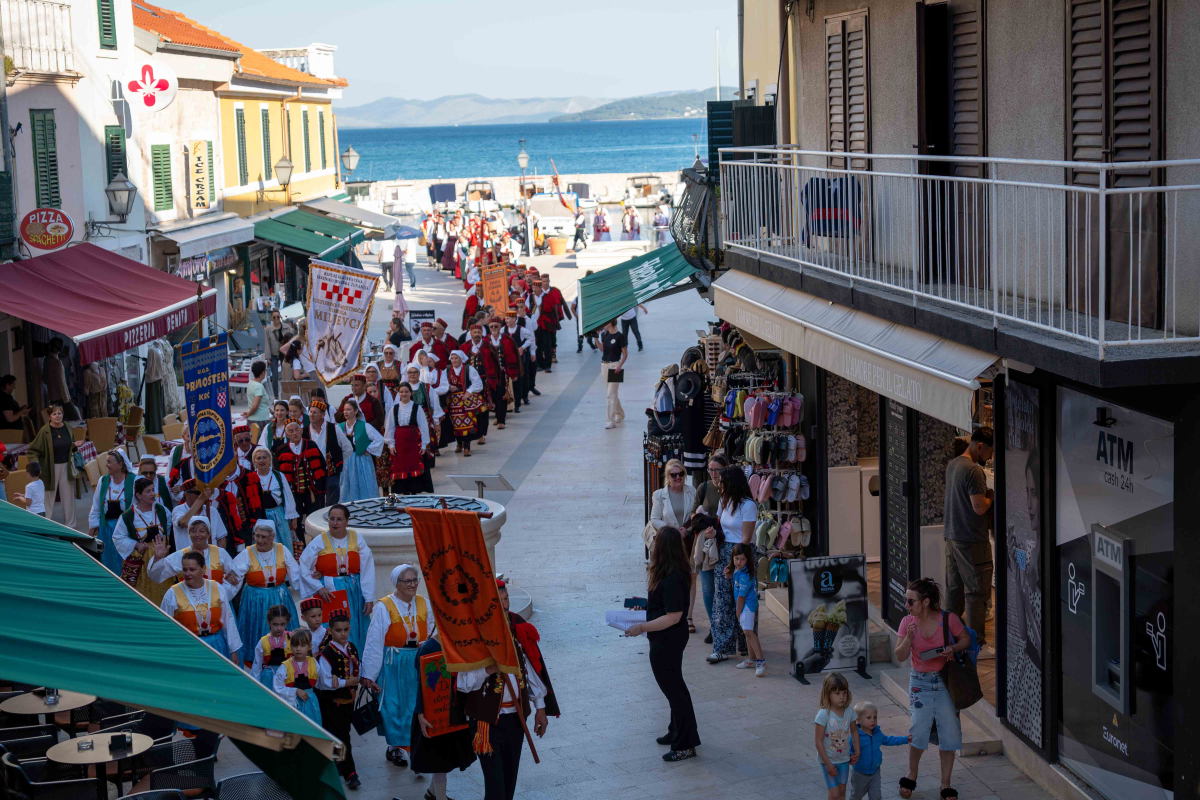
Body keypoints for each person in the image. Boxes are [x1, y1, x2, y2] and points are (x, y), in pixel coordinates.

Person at [457, 580, 556, 799]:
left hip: (515, 720)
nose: (504, 606)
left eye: (506, 599)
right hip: (487, 723)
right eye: (498, 601)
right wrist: (490, 669)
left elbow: (529, 669)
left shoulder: (515, 627)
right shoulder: (473, 637)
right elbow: (463, 684)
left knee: (509, 785)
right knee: (495, 789)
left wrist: (540, 708)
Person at [625, 526, 699, 762]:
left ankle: (686, 744)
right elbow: (664, 606)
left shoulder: (673, 576)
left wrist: (641, 628)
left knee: (674, 691)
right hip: (665, 638)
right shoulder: (669, 572)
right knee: (675, 688)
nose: (652, 545)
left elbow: (674, 616)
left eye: (656, 541)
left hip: (668, 640)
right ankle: (675, 730)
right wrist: (646, 605)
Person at [893, 578, 971, 800]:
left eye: (910, 601)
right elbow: (899, 656)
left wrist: (952, 648)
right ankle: (912, 773)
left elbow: (965, 639)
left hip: (946, 680)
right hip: (920, 681)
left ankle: (945, 785)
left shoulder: (948, 620)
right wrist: (908, 637)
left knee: (949, 731)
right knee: (918, 728)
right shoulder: (907, 622)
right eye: (906, 600)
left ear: (925, 602)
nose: (906, 605)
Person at [361, 564, 432, 767]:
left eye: (415, 580)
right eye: (407, 581)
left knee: (414, 706)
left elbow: (434, 630)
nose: (412, 584)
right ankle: (397, 749)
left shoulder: (424, 604)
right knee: (393, 707)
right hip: (393, 663)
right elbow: (374, 641)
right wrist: (369, 675)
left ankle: (413, 747)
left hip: (417, 662)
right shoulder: (384, 606)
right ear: (397, 584)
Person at [942, 427, 995, 659]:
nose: (990, 458)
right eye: (989, 453)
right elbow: (979, 507)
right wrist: (991, 496)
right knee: (976, 592)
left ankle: (950, 637)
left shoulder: (953, 464)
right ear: (979, 446)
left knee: (954, 591)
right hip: (972, 540)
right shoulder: (974, 470)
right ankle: (977, 645)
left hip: (952, 536)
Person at [299, 503, 375, 654]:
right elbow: (303, 564)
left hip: (353, 591)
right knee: (333, 627)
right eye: (332, 519)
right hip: (330, 592)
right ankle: (332, 660)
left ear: (347, 521)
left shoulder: (356, 538)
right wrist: (319, 587)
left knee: (353, 626)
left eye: (339, 519)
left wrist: (369, 597)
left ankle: (355, 660)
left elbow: (367, 569)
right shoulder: (320, 540)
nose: (335, 523)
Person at [411, 631, 477, 800]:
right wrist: (420, 713)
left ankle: (433, 793)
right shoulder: (428, 648)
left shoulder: (458, 643)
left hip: (453, 711)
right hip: (432, 714)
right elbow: (421, 685)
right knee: (439, 761)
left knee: (445, 759)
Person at [231, 519, 302, 660]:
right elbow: (234, 573)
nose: (259, 540)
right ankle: (258, 660)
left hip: (279, 597)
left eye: (263, 536)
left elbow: (296, 576)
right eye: (256, 536)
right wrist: (230, 579)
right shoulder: (248, 553)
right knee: (259, 630)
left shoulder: (282, 550)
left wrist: (311, 589)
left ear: (272, 536)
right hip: (255, 600)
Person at [160, 550, 242, 661]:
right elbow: (165, 628)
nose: (188, 573)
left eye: (192, 569)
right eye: (185, 570)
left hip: (216, 647)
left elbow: (228, 621)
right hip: (188, 649)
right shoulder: (172, 594)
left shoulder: (217, 588)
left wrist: (233, 651)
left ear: (204, 569)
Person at [316, 609, 362, 790]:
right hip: (331, 702)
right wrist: (346, 682)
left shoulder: (352, 647)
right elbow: (325, 682)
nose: (342, 634)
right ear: (330, 631)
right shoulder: (326, 653)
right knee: (343, 736)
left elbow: (359, 667)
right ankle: (350, 772)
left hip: (348, 701)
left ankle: (335, 764)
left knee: (339, 734)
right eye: (338, 630)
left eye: (345, 630)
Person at [110, 477, 172, 604]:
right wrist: (135, 544)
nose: (152, 494)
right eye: (148, 491)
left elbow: (169, 527)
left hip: (161, 559)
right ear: (138, 495)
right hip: (142, 562)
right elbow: (118, 537)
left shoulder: (162, 510)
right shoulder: (128, 516)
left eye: (153, 490)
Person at [650, 459, 695, 627]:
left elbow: (695, 516)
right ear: (667, 477)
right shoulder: (659, 495)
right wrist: (673, 530)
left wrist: (686, 530)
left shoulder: (692, 491)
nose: (677, 477)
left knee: (690, 577)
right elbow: (654, 519)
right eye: (673, 474)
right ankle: (668, 611)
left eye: (680, 473)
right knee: (668, 575)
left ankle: (688, 617)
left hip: (688, 540)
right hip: (669, 542)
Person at [273, 421, 328, 545]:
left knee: (316, 520)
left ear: (301, 430)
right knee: (295, 523)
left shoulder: (312, 445)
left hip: (312, 493)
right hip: (293, 496)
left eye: (297, 430)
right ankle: (301, 549)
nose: (294, 433)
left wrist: (322, 490)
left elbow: (323, 467)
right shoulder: (281, 451)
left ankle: (318, 546)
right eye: (291, 431)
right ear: (287, 434)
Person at [26, 403, 78, 527]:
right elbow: (32, 450)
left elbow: (70, 444)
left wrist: (75, 445)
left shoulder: (67, 427)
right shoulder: (45, 431)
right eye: (54, 414)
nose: (57, 416)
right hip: (50, 467)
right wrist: (37, 465)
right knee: (48, 496)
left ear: (63, 414)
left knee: (68, 495)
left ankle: (70, 525)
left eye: (59, 413)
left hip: (66, 465)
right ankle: (45, 523)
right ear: (49, 416)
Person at [150, 515, 237, 586]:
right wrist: (158, 558)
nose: (197, 535)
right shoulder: (181, 555)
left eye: (202, 531)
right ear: (189, 534)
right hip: (188, 604)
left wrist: (228, 580)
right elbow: (157, 576)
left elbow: (235, 576)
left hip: (216, 603)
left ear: (208, 534)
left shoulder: (220, 553)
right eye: (193, 531)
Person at [241, 446, 299, 552]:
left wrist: (293, 518)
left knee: (282, 545)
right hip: (260, 517)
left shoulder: (279, 476)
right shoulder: (250, 478)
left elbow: (288, 496)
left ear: (270, 459)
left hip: (279, 515)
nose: (262, 460)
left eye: (264, 457)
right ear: (254, 461)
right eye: (258, 458)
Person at [849, 701, 910, 800]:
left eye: (875, 717)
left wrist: (905, 739)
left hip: (875, 773)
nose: (873, 720)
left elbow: (888, 740)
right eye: (869, 718)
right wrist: (851, 756)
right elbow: (848, 750)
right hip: (859, 774)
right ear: (858, 720)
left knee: (876, 796)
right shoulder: (855, 736)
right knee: (856, 795)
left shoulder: (877, 733)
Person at [815, 672, 861, 800]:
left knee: (841, 794)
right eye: (837, 693)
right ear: (828, 694)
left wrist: (857, 750)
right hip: (828, 761)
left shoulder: (849, 712)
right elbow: (818, 741)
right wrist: (828, 763)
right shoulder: (823, 715)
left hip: (844, 760)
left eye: (844, 692)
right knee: (834, 794)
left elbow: (854, 731)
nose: (842, 697)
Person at [89, 450, 135, 572]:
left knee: (123, 563)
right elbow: (96, 507)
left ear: (120, 465)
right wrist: (91, 533)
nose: (106, 465)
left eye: (109, 462)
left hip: (124, 531)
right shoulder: (103, 481)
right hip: (106, 530)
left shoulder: (133, 481)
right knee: (107, 563)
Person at [333, 398, 386, 502]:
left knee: (363, 483)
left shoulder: (365, 426)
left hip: (361, 460)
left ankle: (367, 505)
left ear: (356, 411)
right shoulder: (339, 427)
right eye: (344, 410)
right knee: (346, 484)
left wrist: (368, 449)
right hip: (346, 461)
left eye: (349, 409)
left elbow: (379, 439)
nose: (346, 412)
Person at [383, 383, 432, 495]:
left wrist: (424, 445)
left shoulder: (417, 408)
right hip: (399, 445)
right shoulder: (394, 409)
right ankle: (403, 493)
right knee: (400, 469)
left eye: (406, 391)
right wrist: (391, 445)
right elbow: (389, 428)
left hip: (414, 444)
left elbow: (423, 427)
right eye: (401, 392)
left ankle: (414, 493)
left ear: (410, 393)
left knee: (413, 468)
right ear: (398, 394)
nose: (404, 394)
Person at [728, 542, 766, 676]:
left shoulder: (745, 576)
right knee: (746, 632)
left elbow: (741, 598)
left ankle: (761, 661)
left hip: (747, 607)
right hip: (744, 607)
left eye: (742, 559)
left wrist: (738, 612)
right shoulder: (740, 571)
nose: (739, 562)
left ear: (748, 560)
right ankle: (751, 659)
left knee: (749, 632)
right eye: (737, 558)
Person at [461, 323, 503, 439]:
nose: (477, 335)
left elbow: (496, 364)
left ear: (482, 334)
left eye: (479, 332)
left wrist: (495, 380)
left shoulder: (488, 346)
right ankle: (471, 433)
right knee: (470, 409)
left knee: (483, 410)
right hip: (469, 385)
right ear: (470, 333)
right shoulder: (464, 347)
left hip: (484, 384)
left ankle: (481, 434)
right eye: (474, 332)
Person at [273, 628, 322, 725]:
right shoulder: (285, 667)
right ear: (290, 646)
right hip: (292, 704)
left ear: (309, 646)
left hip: (310, 703)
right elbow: (277, 688)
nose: (298, 649)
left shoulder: (314, 663)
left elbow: (321, 682)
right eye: (295, 645)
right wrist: (295, 691)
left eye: (303, 645)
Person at [444, 351, 484, 457]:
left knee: (467, 423)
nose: (453, 361)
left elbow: (478, 383)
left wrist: (469, 391)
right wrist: (449, 387)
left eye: (456, 358)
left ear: (461, 359)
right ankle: (459, 443)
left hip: (465, 400)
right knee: (455, 423)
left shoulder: (468, 369)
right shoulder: (447, 369)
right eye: (452, 358)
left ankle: (467, 447)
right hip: (453, 400)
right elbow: (442, 382)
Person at [169, 481, 229, 552]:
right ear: (186, 496)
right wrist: (201, 499)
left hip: (210, 559)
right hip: (187, 559)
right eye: (198, 492)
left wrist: (218, 557)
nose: (201, 495)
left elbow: (221, 538)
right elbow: (184, 522)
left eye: (202, 492)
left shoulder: (212, 511)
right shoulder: (178, 510)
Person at [304, 399, 343, 507]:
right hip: (313, 472)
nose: (311, 415)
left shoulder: (334, 428)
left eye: (315, 412)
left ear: (323, 414)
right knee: (316, 501)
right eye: (310, 412)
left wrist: (338, 460)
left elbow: (347, 448)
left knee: (332, 500)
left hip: (331, 470)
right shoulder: (304, 431)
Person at [250, 605, 293, 687]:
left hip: (287, 677)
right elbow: (257, 665)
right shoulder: (263, 641)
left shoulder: (291, 639)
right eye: (275, 624)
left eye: (283, 624)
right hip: (268, 678)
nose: (279, 628)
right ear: (268, 622)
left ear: (287, 622)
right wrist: (255, 684)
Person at [487, 318, 520, 420]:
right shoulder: (485, 341)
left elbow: (513, 356)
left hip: (503, 374)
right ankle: (498, 416)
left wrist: (513, 373)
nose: (494, 328)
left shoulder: (507, 340)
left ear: (501, 327)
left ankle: (501, 420)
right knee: (493, 396)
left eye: (496, 326)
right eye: (491, 326)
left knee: (502, 395)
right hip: (490, 375)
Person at [599, 319, 627, 429]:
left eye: (605, 323)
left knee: (610, 394)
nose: (603, 325)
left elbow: (625, 354)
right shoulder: (605, 334)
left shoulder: (620, 336)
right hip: (604, 366)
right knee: (612, 393)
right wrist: (596, 339)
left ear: (610, 323)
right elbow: (601, 349)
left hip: (615, 367)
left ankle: (610, 421)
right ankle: (620, 413)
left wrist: (620, 365)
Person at [504, 310, 535, 407]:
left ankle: (523, 398)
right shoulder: (503, 330)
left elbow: (531, 338)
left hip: (520, 359)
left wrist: (523, 347)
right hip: (508, 359)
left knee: (521, 378)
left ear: (514, 319)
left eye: (508, 318)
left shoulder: (521, 330)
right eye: (505, 318)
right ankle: (512, 400)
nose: (506, 320)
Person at [267, 311, 295, 396]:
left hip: (285, 354)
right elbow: (267, 343)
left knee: (287, 375)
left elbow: (292, 340)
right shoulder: (268, 329)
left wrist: (292, 353)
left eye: (277, 317)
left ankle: (287, 394)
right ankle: (276, 396)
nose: (276, 319)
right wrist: (267, 357)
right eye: (274, 317)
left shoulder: (287, 327)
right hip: (273, 354)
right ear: (271, 317)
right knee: (275, 377)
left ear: (280, 317)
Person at [0, 374, 31, 438]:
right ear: (7, 385)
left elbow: (11, 411)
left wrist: (20, 409)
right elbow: (10, 419)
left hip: (12, 432)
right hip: (9, 433)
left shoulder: (7, 397)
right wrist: (21, 412)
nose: (14, 387)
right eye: (13, 385)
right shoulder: (4, 399)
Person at [246, 361, 272, 426]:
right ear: (263, 373)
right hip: (260, 420)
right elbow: (255, 406)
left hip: (253, 419)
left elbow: (261, 404)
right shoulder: (259, 386)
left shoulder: (250, 383)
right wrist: (248, 413)